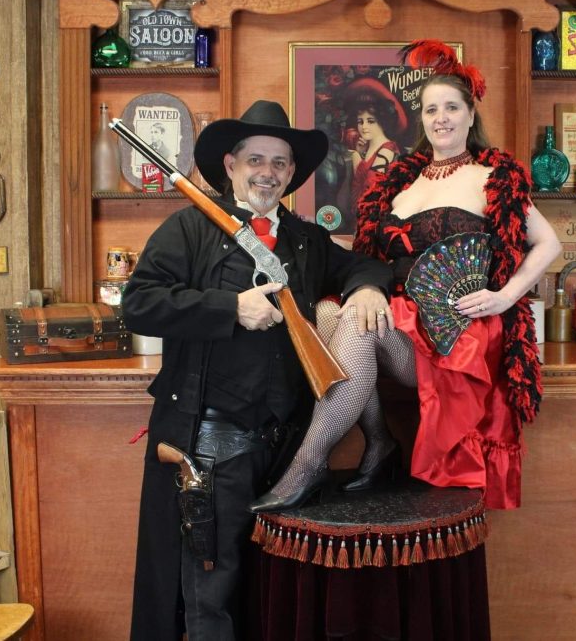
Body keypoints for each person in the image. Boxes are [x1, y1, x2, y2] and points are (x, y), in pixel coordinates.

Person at [250, 41, 563, 514]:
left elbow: (549, 243)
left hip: (457, 335)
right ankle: (378, 440)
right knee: (333, 311)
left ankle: (308, 464)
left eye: (451, 108)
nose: (441, 118)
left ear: (470, 114)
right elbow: (369, 256)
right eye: (431, 109)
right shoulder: (400, 183)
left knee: (356, 323)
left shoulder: (490, 178)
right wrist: (298, 239)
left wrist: (504, 296)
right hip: (403, 320)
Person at [123, 100, 392, 641]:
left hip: (287, 453)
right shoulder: (188, 228)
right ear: (231, 165)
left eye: (279, 163)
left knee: (271, 595)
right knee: (209, 596)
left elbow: (366, 265)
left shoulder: (305, 239)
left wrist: (365, 288)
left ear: (291, 174)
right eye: (255, 160)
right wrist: (230, 308)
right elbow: (140, 303)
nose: (267, 172)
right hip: (210, 448)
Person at [341, 78, 407, 223]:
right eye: (360, 121)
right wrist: (360, 153)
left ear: (382, 122)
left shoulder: (387, 149)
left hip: (373, 221)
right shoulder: (367, 148)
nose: (364, 127)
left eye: (370, 121)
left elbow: (371, 189)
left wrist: (356, 158)